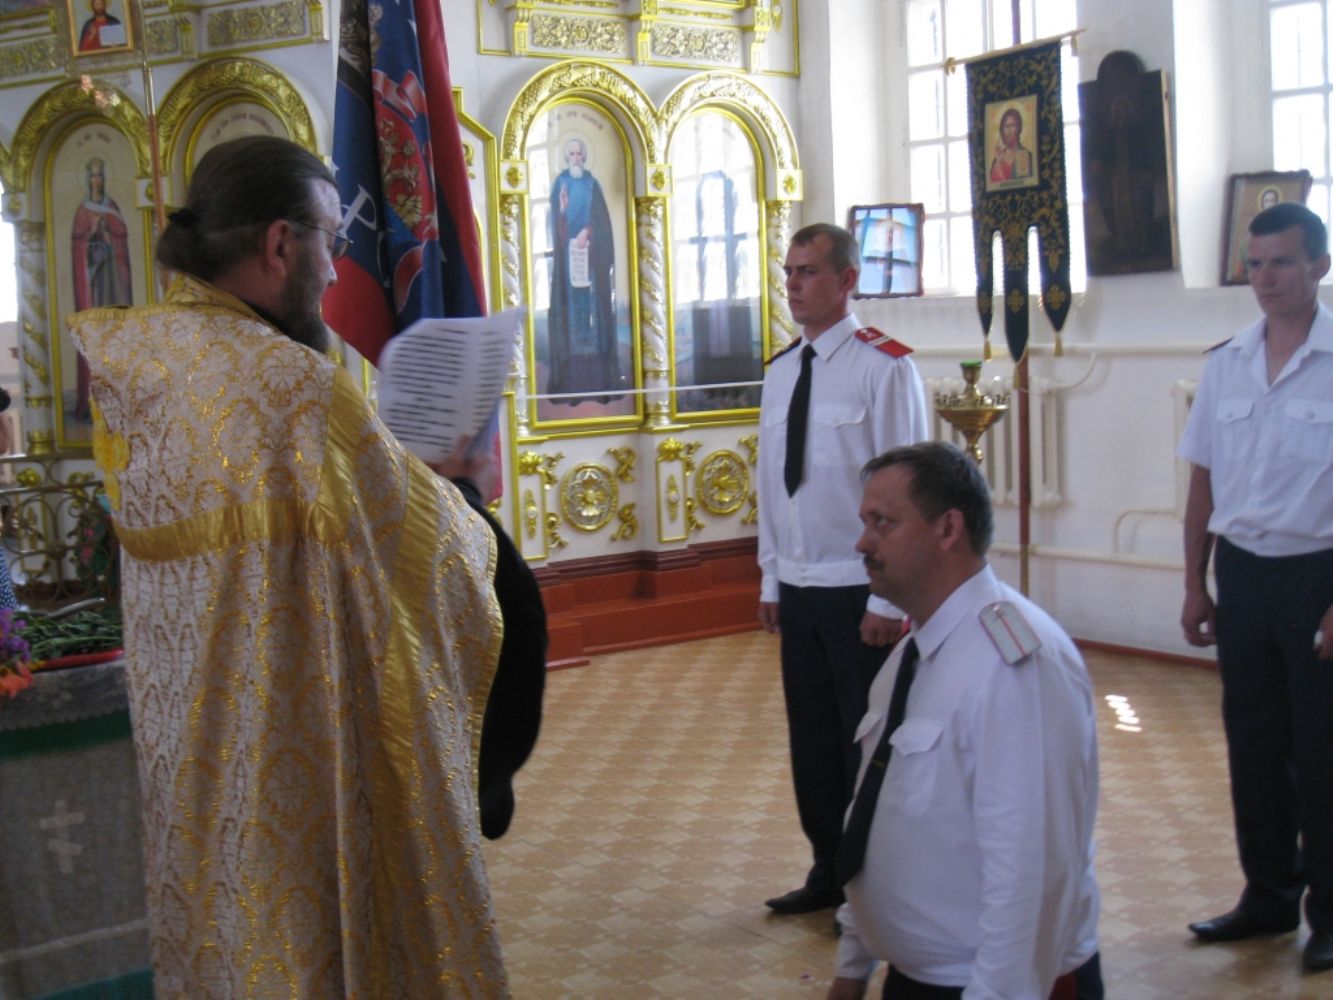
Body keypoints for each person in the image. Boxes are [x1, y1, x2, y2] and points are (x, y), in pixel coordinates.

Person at [68, 136, 516, 997]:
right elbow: (438, 566)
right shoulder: (290, 389)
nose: (337, 269)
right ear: (280, 244)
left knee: (223, 936)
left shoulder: (144, 367)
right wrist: (458, 495)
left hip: (190, 755)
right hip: (294, 746)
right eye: (329, 240)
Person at [828, 442, 1101, 1000]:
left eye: (883, 523)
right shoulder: (912, 654)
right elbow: (875, 813)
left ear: (948, 528)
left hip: (987, 983)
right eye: (864, 523)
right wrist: (853, 961)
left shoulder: (1013, 666)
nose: (862, 543)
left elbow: (1030, 867)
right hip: (916, 976)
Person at [1178, 201, 1333, 974]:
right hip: (1240, 572)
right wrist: (1193, 584)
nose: (1265, 280)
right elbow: (1202, 483)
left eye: (1281, 263)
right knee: (1255, 745)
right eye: (1255, 264)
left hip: (1317, 574)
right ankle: (1266, 896)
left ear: (1318, 267)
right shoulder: (1226, 363)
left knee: (1322, 750)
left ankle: (1329, 915)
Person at [758, 222, 930, 916]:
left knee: (867, 740)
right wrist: (771, 577)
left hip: (861, 589)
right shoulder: (779, 372)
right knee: (813, 740)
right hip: (799, 586)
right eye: (788, 272)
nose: (793, 285)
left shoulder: (882, 367)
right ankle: (827, 870)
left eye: (807, 272)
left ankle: (873, 884)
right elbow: (772, 486)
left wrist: (890, 601)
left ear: (846, 280)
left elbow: (909, 492)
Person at [547, 137, 622, 403]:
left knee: (594, 319)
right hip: (568, 265)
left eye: (580, 153)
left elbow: (601, 222)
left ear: (585, 156)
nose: (576, 157)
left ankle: (599, 385)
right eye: (572, 154)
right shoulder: (560, 184)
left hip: (591, 261)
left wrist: (588, 231)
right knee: (572, 321)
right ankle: (573, 387)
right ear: (567, 158)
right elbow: (555, 225)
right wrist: (563, 210)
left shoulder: (592, 184)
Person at [70, 156, 132, 422]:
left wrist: (108, 234)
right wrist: (92, 234)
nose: (97, 180)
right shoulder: (82, 211)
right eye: (93, 176)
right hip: (93, 287)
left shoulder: (112, 207)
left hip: (112, 284)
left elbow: (122, 238)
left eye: (100, 175)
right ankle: (92, 403)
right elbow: (78, 245)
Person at [988, 107, 1034, 186]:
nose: (1008, 130)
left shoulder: (1025, 156)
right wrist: (998, 163)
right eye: (1006, 126)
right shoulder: (997, 160)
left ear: (1018, 128)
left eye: (1012, 126)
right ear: (1002, 130)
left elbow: (1025, 184)